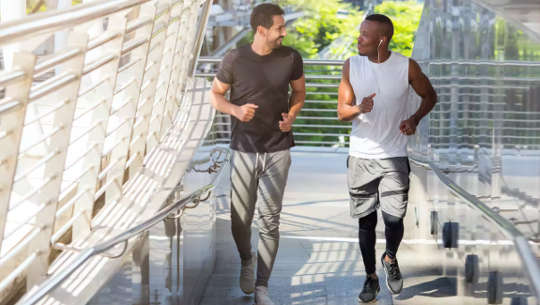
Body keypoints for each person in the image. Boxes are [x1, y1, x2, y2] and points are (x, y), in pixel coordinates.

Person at [208, 3, 306, 305]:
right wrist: (236, 110)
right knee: (240, 219)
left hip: (278, 149)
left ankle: (262, 286)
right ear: (261, 29)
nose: (284, 32)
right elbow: (215, 95)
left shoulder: (291, 57)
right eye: (279, 27)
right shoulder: (235, 59)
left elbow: (299, 93)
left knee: (270, 220)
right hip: (244, 149)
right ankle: (246, 258)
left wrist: (292, 115)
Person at [337, 14, 437, 303]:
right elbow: (342, 112)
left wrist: (415, 118)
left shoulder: (406, 67)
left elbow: (430, 96)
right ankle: (370, 278)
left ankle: (390, 258)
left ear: (382, 39)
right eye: (359, 33)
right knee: (365, 222)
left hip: (394, 156)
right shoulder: (351, 65)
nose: (358, 39)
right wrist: (359, 108)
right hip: (361, 157)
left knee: (394, 218)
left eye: (364, 35)